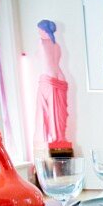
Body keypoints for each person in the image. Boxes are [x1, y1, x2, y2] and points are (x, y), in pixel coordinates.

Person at [35, 19, 71, 152]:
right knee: (56, 113)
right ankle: (58, 138)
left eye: (39, 29)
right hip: (60, 79)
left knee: (49, 112)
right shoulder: (57, 46)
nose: (38, 32)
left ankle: (54, 138)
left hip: (48, 80)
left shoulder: (42, 43)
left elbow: (45, 62)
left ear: (44, 31)